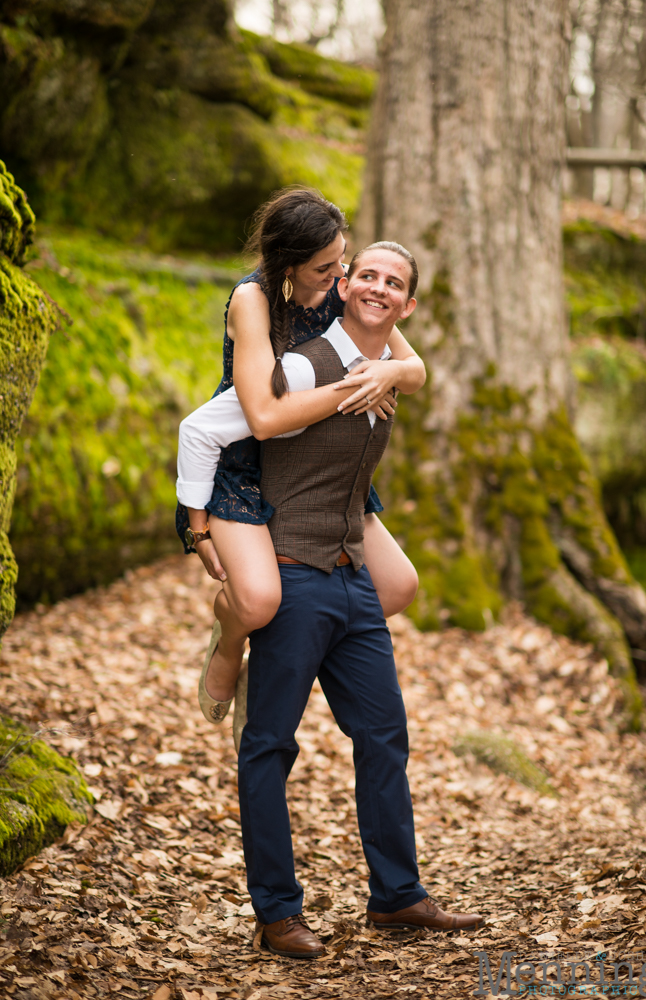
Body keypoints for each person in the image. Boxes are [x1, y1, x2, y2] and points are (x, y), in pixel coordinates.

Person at [236, 240, 484, 958]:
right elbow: (237, 431)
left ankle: (397, 896)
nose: (377, 287)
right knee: (269, 746)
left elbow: (413, 373)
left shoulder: (391, 372)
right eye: (366, 275)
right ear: (342, 286)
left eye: (393, 282)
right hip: (295, 574)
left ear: (406, 305)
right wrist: (214, 533)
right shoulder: (298, 366)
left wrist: (399, 371)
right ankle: (277, 913)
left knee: (383, 737)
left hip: (353, 580)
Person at [176, 189, 425, 724]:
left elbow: (416, 369)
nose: (341, 274)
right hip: (244, 459)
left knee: (399, 584)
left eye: (343, 259)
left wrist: (388, 372)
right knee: (259, 600)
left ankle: (286, 655)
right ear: (291, 266)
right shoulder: (254, 298)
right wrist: (352, 389)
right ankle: (231, 636)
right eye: (327, 266)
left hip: (315, 459)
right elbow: (262, 416)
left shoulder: (338, 286)